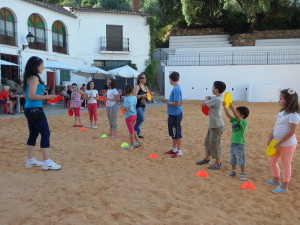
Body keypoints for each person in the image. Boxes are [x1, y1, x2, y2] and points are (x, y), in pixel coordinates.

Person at [22, 56, 61, 170]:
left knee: (33, 134)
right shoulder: (34, 78)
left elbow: (27, 95)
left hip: (29, 109)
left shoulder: (29, 77)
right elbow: (31, 95)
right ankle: (47, 162)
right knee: (45, 133)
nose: (43, 68)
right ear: (36, 66)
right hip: (35, 110)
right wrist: (48, 96)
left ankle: (30, 160)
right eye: (42, 65)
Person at [266, 88, 299, 193]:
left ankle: (284, 186)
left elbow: (291, 132)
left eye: (281, 98)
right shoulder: (282, 112)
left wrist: (280, 143)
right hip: (277, 143)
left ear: (289, 100)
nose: (278, 101)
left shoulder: (293, 115)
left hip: (287, 145)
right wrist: (271, 137)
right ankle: (276, 180)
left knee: (286, 164)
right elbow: (276, 126)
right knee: (272, 160)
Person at [196, 81, 226, 169]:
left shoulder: (216, 99)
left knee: (214, 144)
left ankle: (218, 163)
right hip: (213, 125)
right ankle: (207, 158)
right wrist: (208, 98)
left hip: (217, 126)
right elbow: (208, 97)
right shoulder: (217, 97)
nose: (212, 89)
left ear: (216, 89)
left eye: (213, 88)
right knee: (207, 142)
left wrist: (207, 99)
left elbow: (203, 104)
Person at [223, 103, 249, 180]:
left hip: (240, 144)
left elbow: (237, 116)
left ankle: (242, 173)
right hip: (233, 144)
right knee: (232, 159)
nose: (235, 113)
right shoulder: (234, 121)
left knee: (241, 160)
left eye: (237, 112)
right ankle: (233, 171)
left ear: (242, 115)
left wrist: (232, 108)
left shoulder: (243, 122)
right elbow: (228, 116)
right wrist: (225, 107)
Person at [161, 72, 183, 158]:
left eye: (169, 79)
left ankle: (179, 151)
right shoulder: (176, 88)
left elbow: (177, 103)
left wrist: (167, 102)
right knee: (174, 133)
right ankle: (174, 149)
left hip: (176, 114)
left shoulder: (176, 89)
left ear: (171, 79)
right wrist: (168, 102)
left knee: (177, 133)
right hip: (173, 114)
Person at [121, 84, 141, 149]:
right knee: (133, 129)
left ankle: (132, 145)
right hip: (134, 115)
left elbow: (126, 108)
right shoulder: (134, 97)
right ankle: (137, 141)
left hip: (128, 116)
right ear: (132, 90)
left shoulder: (126, 99)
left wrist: (122, 108)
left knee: (131, 131)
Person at [133, 73, 150, 138]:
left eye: (145, 77)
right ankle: (133, 130)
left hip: (143, 105)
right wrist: (142, 95)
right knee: (141, 119)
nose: (144, 79)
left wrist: (150, 95)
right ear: (139, 79)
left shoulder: (145, 87)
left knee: (139, 120)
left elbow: (148, 95)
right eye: (143, 78)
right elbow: (134, 96)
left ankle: (137, 133)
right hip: (138, 105)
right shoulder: (137, 86)